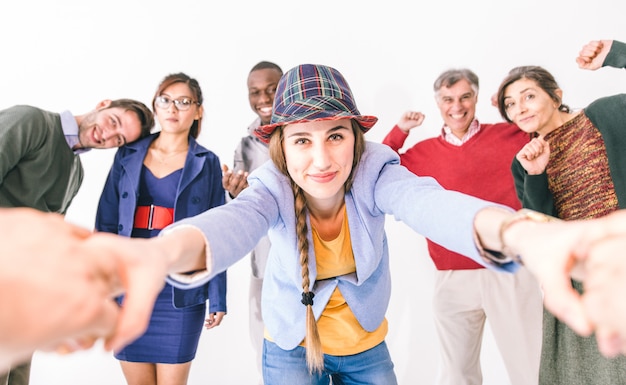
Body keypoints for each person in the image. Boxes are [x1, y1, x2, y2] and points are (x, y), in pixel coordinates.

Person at [79, 63, 626, 385]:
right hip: (288, 347)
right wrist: (156, 254)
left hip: (364, 346)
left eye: (335, 136)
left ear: (356, 138)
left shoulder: (375, 169)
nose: (321, 159)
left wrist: (520, 233)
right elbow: (232, 223)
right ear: (281, 146)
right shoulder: (271, 183)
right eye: (302, 140)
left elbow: (431, 204)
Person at [382, 69, 542, 385]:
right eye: (448, 99)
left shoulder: (509, 135)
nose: (457, 106)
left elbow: (547, 130)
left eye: (465, 97)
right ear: (438, 103)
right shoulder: (421, 153)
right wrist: (400, 130)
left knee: (528, 367)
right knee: (457, 375)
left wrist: (509, 111)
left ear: (477, 98)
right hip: (451, 276)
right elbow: (380, 166)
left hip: (507, 268)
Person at [496, 38, 626, 385]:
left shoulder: (607, 114)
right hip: (579, 276)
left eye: (529, 95)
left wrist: (616, 54)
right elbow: (542, 232)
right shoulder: (523, 162)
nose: (519, 108)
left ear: (556, 94)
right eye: (510, 104)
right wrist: (537, 175)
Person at [0, 98, 154, 385]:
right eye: (113, 121)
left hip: (26, 287)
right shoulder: (32, 122)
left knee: (18, 375)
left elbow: (51, 237)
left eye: (118, 138)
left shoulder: (76, 173)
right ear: (104, 104)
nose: (107, 135)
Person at [95, 73, 227, 385]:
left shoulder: (207, 162)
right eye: (165, 100)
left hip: (179, 291)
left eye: (183, 102)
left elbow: (218, 233)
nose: (173, 108)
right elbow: (106, 224)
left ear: (198, 111)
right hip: (129, 287)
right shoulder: (127, 154)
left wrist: (218, 297)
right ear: (155, 106)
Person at [221, 60, 282, 383]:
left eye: (272, 89)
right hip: (263, 266)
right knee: (265, 356)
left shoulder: (305, 134)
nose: (264, 97)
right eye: (255, 92)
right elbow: (239, 209)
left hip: (311, 268)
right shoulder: (245, 145)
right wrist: (236, 194)